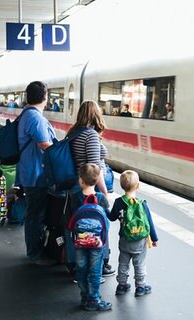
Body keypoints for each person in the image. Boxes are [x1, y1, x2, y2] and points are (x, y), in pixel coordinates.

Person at [64, 100, 114, 277]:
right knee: (98, 225)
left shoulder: (73, 132)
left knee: (78, 226)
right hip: (90, 188)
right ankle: (100, 263)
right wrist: (105, 193)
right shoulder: (90, 135)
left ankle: (75, 263)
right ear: (96, 115)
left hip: (77, 186)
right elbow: (94, 167)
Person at [16, 81, 57, 266]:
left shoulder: (27, 114)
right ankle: (35, 254)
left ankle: (34, 251)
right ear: (44, 97)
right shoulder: (35, 117)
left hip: (30, 171)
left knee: (34, 214)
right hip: (35, 174)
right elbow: (44, 144)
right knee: (36, 216)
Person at [68, 163, 112, 311]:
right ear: (98, 179)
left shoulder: (74, 197)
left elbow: (70, 221)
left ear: (80, 180)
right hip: (97, 243)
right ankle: (94, 299)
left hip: (79, 242)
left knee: (81, 267)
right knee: (95, 270)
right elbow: (108, 219)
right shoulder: (101, 198)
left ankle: (84, 296)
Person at [108, 170, 158, 297]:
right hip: (140, 240)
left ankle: (121, 285)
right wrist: (154, 238)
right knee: (139, 263)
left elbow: (112, 217)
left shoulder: (119, 202)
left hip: (124, 239)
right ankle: (140, 287)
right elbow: (149, 223)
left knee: (123, 262)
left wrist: (104, 208)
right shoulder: (142, 204)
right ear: (138, 185)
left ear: (121, 186)